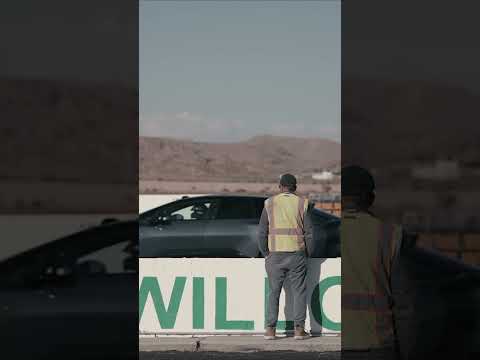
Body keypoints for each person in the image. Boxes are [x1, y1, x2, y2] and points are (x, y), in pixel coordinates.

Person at [341, 165, 403, 360]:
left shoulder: (324, 231)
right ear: (370, 198)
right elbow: (405, 299)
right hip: (378, 343)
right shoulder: (391, 234)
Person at [258, 173, 314, 340]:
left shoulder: (269, 203)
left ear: (280, 186)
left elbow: (261, 232)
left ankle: (270, 330)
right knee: (299, 292)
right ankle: (299, 330)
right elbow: (309, 233)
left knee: (274, 292)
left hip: (274, 254)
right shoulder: (302, 203)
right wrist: (308, 253)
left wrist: (265, 253)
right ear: (295, 188)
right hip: (297, 254)